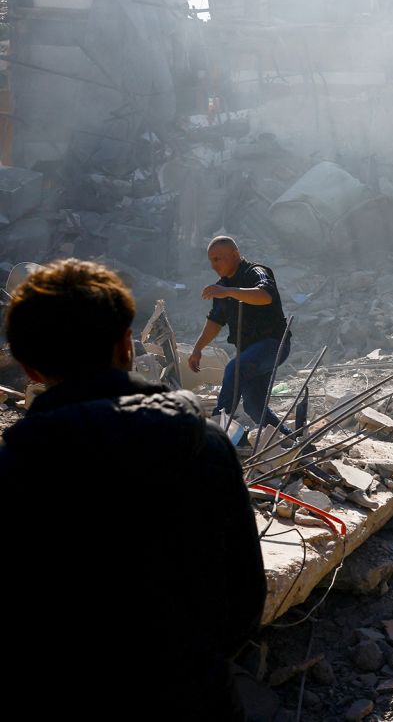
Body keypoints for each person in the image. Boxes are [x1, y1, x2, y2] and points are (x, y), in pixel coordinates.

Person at [1, 259, 265, 717]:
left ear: (29, 368)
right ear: (127, 346)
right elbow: (244, 601)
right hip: (196, 698)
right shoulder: (206, 446)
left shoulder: (15, 471)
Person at [189, 236, 291, 432]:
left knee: (234, 369)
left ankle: (218, 428)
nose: (213, 265)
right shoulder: (222, 287)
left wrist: (228, 292)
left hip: (273, 345)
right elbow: (215, 321)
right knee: (254, 406)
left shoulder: (257, 272)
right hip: (249, 351)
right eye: (211, 260)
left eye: (218, 259)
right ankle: (289, 439)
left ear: (235, 255)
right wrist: (197, 349)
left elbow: (265, 296)